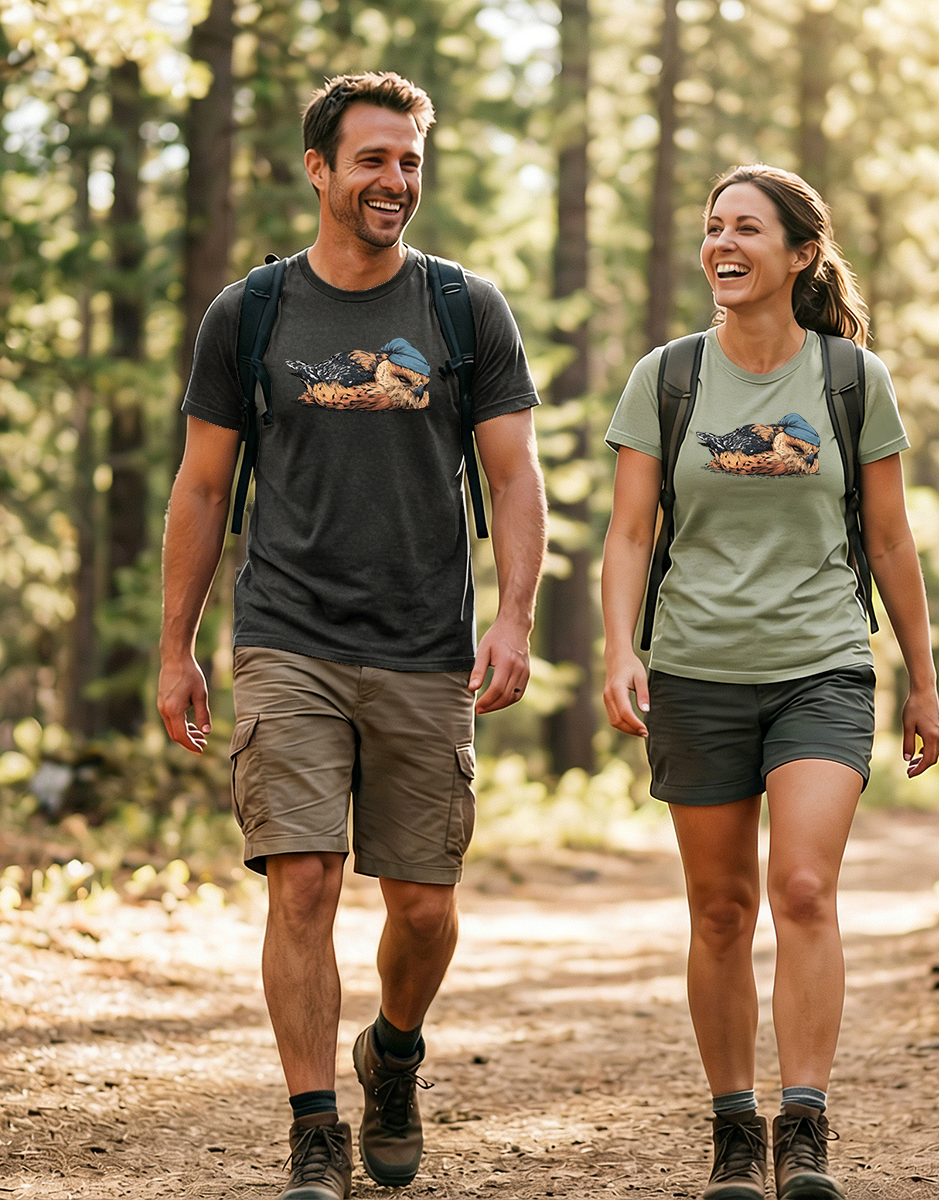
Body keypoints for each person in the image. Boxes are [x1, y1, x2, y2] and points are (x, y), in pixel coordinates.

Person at [157, 72, 547, 1200]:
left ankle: (394, 1053)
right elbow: (201, 488)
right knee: (306, 880)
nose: (396, 182)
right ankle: (314, 1127)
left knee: (423, 907)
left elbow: (515, 478)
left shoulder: (466, 309)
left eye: (410, 161)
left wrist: (514, 617)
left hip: (428, 643)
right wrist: (176, 647)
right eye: (373, 160)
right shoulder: (253, 313)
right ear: (320, 169)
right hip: (288, 631)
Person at [601, 164, 939, 1200]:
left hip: (822, 666)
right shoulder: (667, 377)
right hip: (697, 671)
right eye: (712, 227)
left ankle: (805, 1126)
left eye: (746, 228)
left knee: (802, 888)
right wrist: (621, 649)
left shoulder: (850, 378)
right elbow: (627, 535)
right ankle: (733, 1132)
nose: (722, 244)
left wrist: (923, 681)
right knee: (718, 909)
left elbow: (890, 539)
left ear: (801, 255)